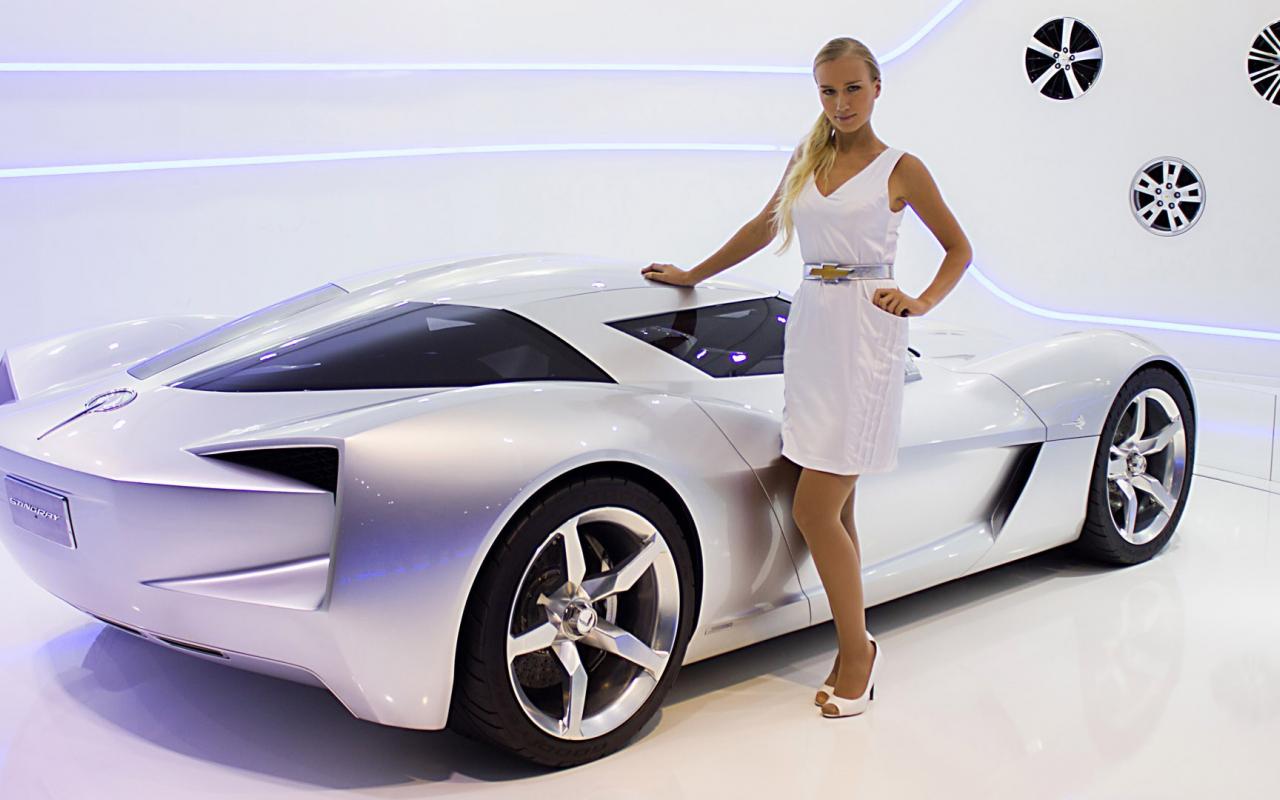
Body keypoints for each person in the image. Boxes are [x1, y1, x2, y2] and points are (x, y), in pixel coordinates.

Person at [640, 36, 972, 718]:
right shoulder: (807, 157)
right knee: (837, 507)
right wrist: (693, 273)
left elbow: (958, 249)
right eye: (827, 90)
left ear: (876, 88)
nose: (840, 103)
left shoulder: (901, 169)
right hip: (814, 325)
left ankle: (859, 653)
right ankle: (853, 644)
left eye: (852, 89)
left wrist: (921, 301)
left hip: (866, 332)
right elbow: (765, 227)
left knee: (814, 508)